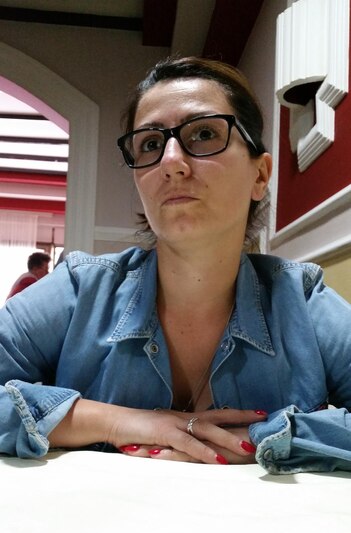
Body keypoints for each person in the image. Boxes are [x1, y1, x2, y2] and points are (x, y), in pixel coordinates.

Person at [0, 56, 350, 473]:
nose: (170, 161)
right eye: (149, 144)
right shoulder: (80, 288)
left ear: (260, 175)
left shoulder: (303, 302)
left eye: (203, 134)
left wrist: (264, 437)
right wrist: (127, 422)